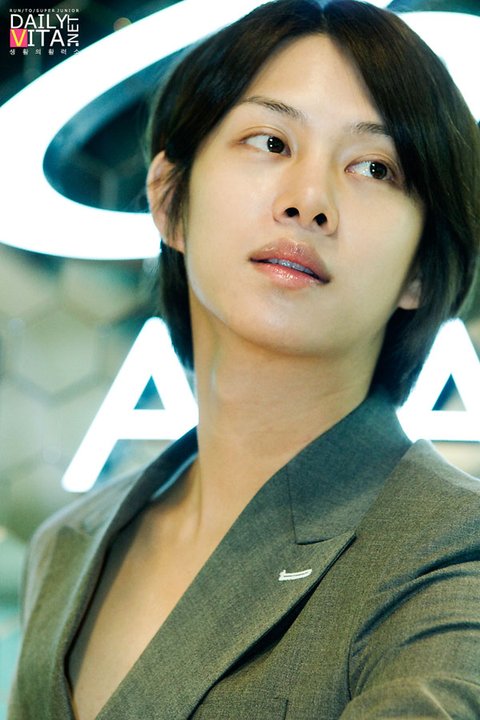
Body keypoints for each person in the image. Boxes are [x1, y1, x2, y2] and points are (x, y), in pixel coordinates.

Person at [8, 0, 480, 718]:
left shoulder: (451, 550)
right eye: (271, 141)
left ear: (419, 269)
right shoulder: (68, 546)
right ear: (170, 199)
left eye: (374, 167)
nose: (309, 200)